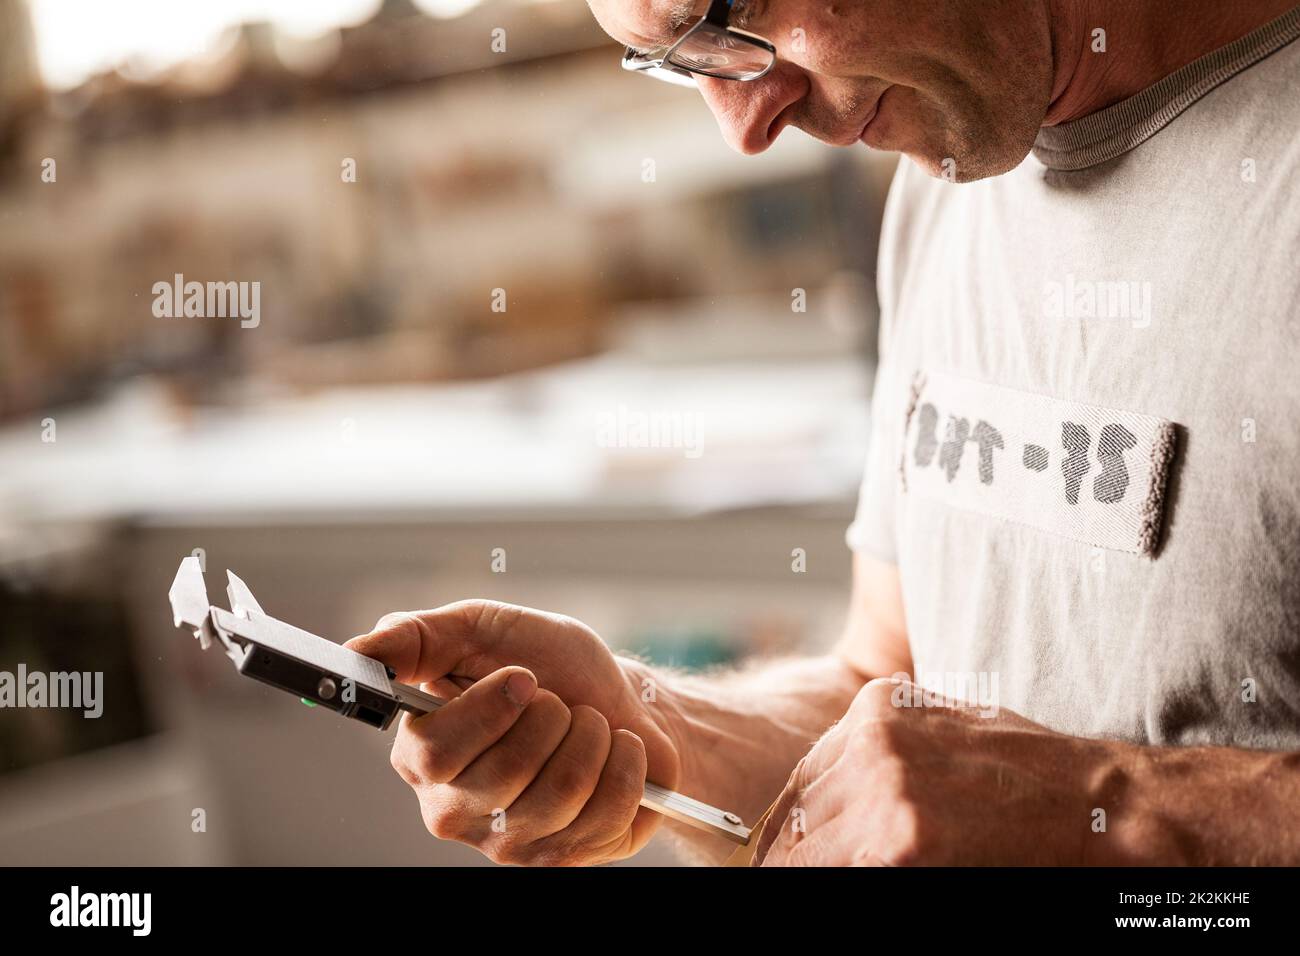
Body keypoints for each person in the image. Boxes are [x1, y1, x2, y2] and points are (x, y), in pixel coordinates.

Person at [347, 0, 1300, 865]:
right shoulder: (950, 171)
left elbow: (1020, 801)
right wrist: (653, 729)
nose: (746, 128)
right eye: (681, 60)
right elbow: (892, 685)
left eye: (732, 12)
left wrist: (1119, 820)